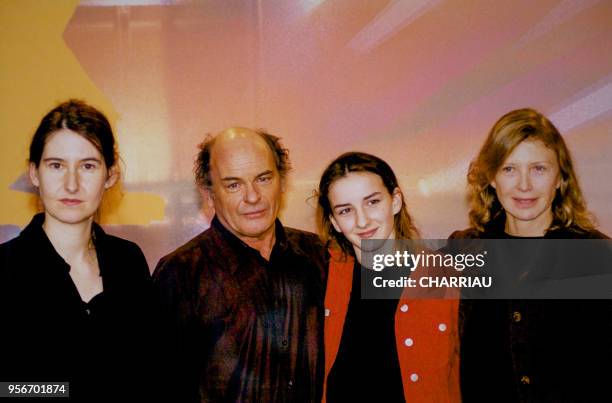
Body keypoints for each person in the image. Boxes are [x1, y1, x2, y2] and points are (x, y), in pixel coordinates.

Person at [153, 127, 327, 402]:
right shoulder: (180, 273)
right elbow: (162, 386)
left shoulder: (320, 254)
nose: (253, 196)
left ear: (282, 181)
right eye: (233, 184)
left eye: (263, 178)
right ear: (209, 194)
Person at [450, 108, 612, 402]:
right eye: (509, 169)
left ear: (560, 178)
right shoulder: (465, 251)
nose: (524, 185)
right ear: (491, 178)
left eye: (539, 169)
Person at [0, 99, 155, 401]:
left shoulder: (129, 261)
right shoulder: (5, 269)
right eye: (56, 165)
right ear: (34, 173)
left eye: (88, 166)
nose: (71, 184)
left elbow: (153, 373)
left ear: (110, 176)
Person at [316, 152, 460, 403]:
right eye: (346, 210)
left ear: (395, 201)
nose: (362, 220)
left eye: (372, 202)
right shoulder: (321, 278)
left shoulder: (445, 277)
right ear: (334, 222)